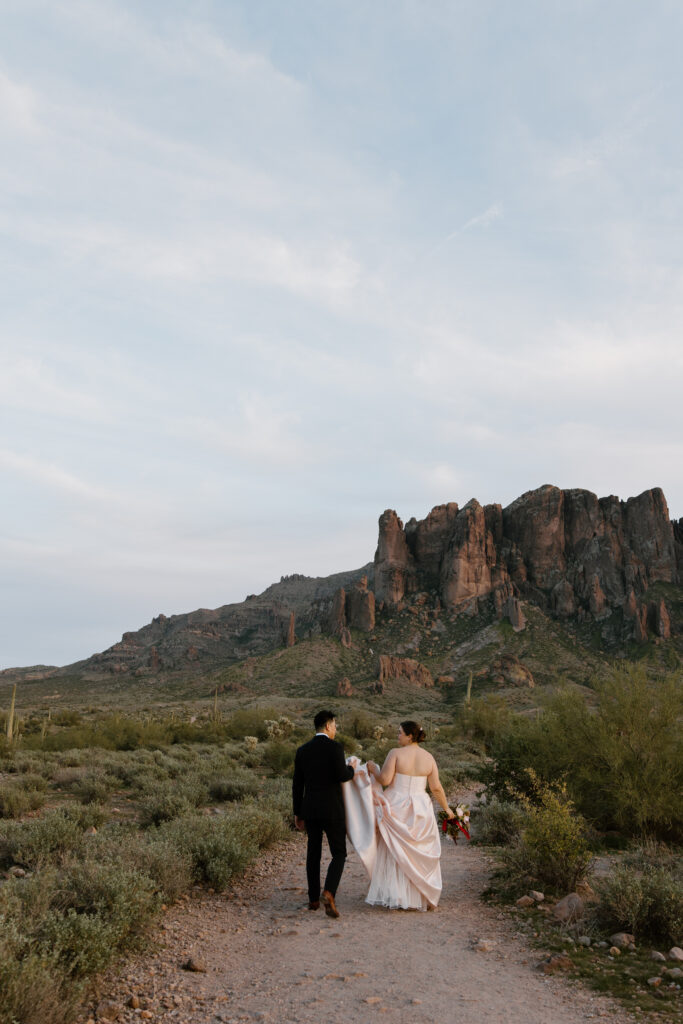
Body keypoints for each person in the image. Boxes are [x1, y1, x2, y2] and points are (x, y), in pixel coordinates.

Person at [359, 720, 455, 911]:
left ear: (410, 736)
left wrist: (373, 769)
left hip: (396, 802)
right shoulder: (429, 758)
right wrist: (448, 809)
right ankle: (419, 896)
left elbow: (385, 779)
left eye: (400, 733)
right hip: (420, 806)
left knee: (395, 851)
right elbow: (436, 787)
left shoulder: (395, 753)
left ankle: (395, 894)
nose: (398, 736)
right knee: (418, 849)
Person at [292, 709, 355, 918]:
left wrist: (297, 812)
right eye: (335, 725)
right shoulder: (335, 748)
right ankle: (328, 891)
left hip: (310, 809)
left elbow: (297, 784)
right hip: (332, 809)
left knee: (313, 853)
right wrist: (352, 768)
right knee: (339, 852)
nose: (336, 729)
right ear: (328, 726)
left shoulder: (303, 750)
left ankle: (312, 899)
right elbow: (342, 776)